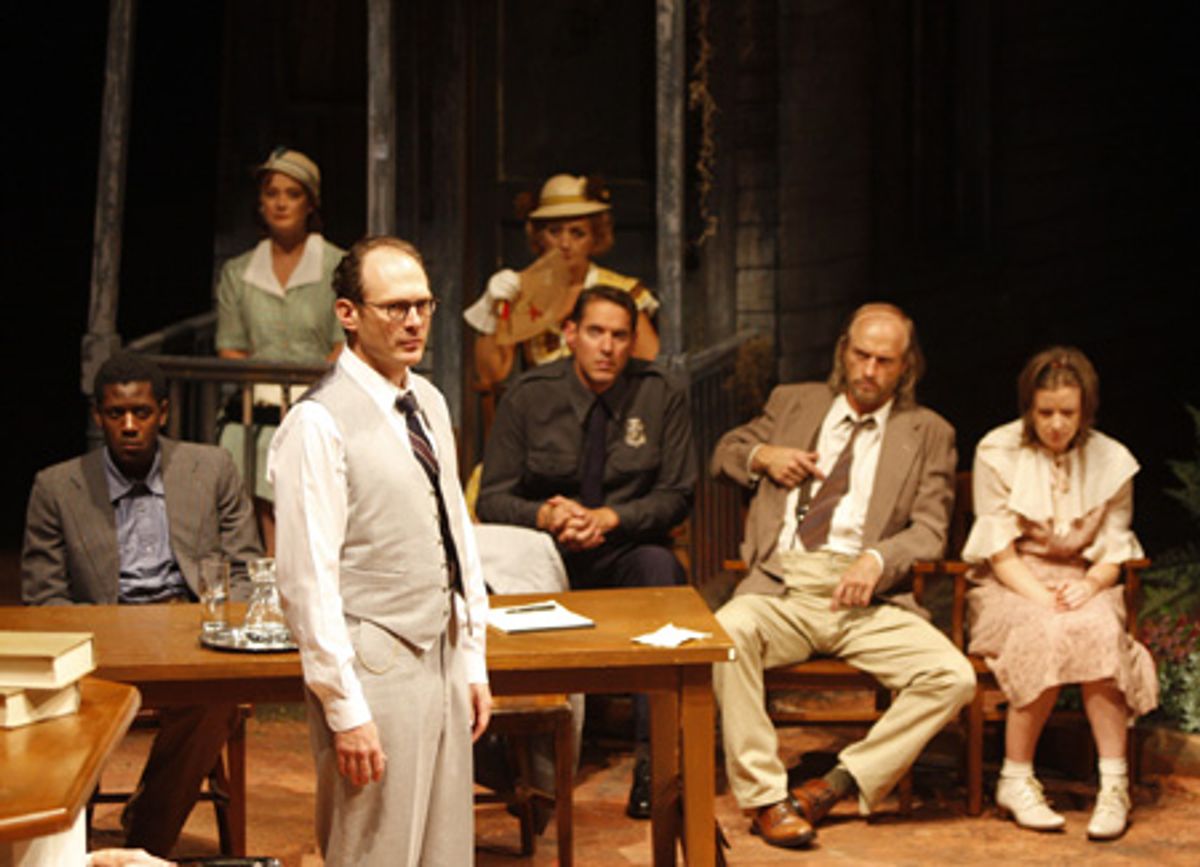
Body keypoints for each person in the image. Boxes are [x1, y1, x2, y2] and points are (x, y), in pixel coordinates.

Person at [711, 302, 976, 849]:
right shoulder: (795, 401)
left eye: (885, 360)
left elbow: (929, 530)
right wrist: (764, 455)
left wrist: (877, 560)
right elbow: (726, 452)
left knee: (954, 677)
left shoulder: (928, 432)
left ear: (907, 367)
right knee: (728, 634)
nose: (869, 371)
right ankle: (765, 799)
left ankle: (834, 785)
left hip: (866, 597)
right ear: (842, 351)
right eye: (861, 355)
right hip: (783, 585)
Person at [268, 236, 492, 866]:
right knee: (376, 850)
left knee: (445, 850)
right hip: (374, 661)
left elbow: (456, 537)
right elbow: (308, 582)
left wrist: (471, 657)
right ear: (349, 313)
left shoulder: (429, 401)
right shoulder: (317, 423)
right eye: (395, 307)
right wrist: (345, 709)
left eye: (422, 304)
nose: (414, 320)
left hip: (439, 650)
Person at [21, 353, 261, 857]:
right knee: (42, 706)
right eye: (116, 414)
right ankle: (66, 849)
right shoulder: (57, 487)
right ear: (98, 417)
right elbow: (44, 599)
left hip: (194, 638)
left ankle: (142, 842)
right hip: (104, 646)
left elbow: (244, 570)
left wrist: (211, 629)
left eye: (142, 412)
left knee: (215, 698)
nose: (129, 426)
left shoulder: (210, 468)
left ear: (164, 412)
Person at [476, 285, 696, 819]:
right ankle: (518, 763)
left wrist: (612, 518)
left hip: (623, 548)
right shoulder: (529, 396)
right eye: (595, 332)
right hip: (542, 554)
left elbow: (678, 495)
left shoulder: (661, 393)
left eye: (620, 336)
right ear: (570, 335)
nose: (607, 347)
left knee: (661, 570)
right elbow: (492, 497)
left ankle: (656, 759)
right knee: (487, 589)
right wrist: (546, 516)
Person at [962, 346, 1158, 840]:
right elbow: (1000, 553)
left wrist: (1089, 584)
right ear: (1028, 406)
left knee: (1094, 627)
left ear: (1085, 411)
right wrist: (1041, 594)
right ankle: (1015, 778)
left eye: (1066, 413)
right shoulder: (997, 451)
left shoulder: (1112, 460)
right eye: (1044, 412)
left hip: (1084, 576)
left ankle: (1114, 786)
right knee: (1045, 628)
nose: (1054, 424)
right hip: (1012, 579)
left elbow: (1114, 551)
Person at [215, 146, 345, 553]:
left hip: (321, 400)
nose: (281, 203)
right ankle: (263, 569)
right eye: (272, 193)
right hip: (257, 404)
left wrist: (305, 395)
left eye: (293, 194)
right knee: (242, 441)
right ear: (261, 202)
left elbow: (343, 345)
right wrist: (268, 389)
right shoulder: (238, 272)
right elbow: (231, 349)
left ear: (310, 203)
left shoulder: (336, 266)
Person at [463, 174, 661, 395]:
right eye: (554, 231)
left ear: (595, 237)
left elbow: (651, 367)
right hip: (542, 414)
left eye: (577, 233)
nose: (565, 244)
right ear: (538, 237)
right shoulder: (523, 292)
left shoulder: (622, 291)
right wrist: (493, 307)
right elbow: (492, 373)